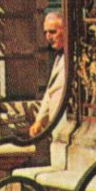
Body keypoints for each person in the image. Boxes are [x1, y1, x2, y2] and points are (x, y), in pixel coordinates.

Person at [30, 11, 65, 139]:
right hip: (56, 128)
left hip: (67, 126)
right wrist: (39, 121)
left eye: (52, 32)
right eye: (45, 32)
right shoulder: (59, 57)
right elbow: (50, 93)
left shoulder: (74, 58)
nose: (48, 37)